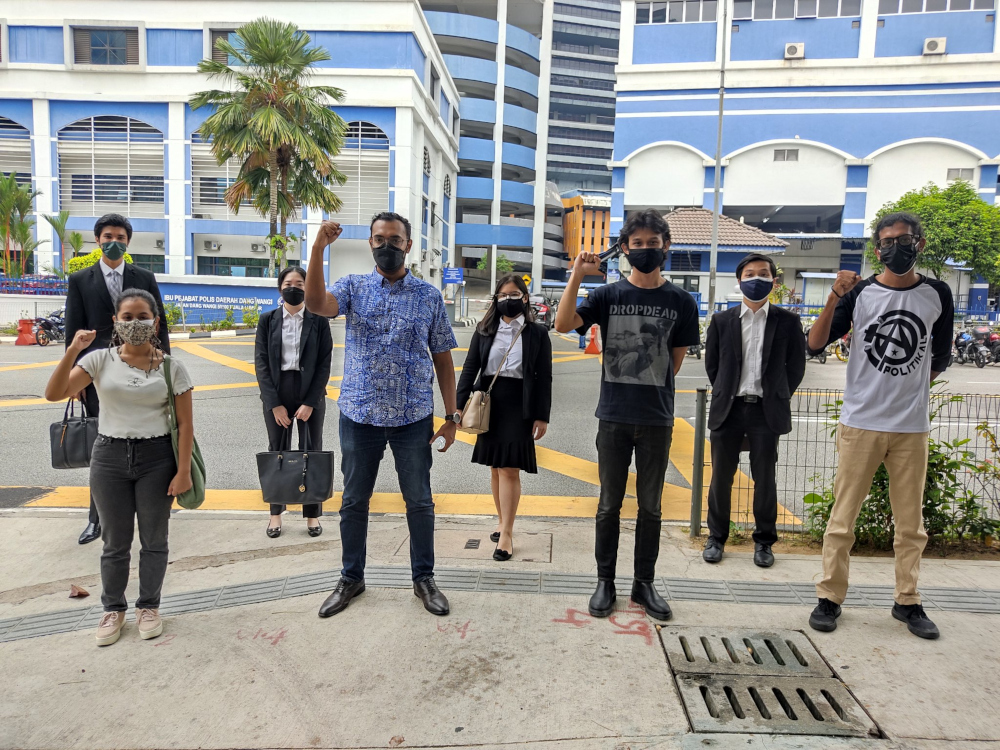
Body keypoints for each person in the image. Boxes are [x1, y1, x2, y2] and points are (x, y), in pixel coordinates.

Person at [806, 211, 953, 640]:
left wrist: (906, 393)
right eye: (887, 241)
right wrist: (835, 295)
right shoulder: (862, 294)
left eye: (904, 240)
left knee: (910, 524)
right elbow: (814, 344)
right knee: (842, 519)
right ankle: (830, 596)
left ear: (919, 244)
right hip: (861, 424)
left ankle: (908, 601)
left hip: (911, 428)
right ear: (877, 250)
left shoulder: (937, 294)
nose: (896, 247)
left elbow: (938, 358)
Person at [305, 213, 459, 618]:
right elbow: (317, 304)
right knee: (355, 500)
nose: (386, 245)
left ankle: (423, 579)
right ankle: (351, 577)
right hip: (360, 413)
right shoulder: (353, 287)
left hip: (413, 417)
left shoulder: (428, 297)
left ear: (409, 245)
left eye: (395, 239)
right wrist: (319, 247)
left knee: (419, 501)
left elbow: (443, 359)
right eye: (379, 239)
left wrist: (452, 415)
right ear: (370, 243)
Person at [554, 208, 700, 621]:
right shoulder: (608, 296)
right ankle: (605, 582)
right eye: (637, 244)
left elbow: (674, 363)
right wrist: (578, 275)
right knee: (608, 504)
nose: (645, 250)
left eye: (653, 244)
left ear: (666, 247)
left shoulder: (680, 302)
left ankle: (644, 583)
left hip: (657, 417)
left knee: (651, 507)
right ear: (626, 248)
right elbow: (564, 324)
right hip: (614, 416)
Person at [44, 289, 193, 646]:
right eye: (127, 317)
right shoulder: (98, 361)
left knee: (155, 539)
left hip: (158, 459)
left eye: (143, 316)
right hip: (108, 458)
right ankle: (113, 608)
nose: (135, 323)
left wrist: (183, 471)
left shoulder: (172, 367)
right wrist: (72, 351)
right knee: (115, 542)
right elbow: (54, 393)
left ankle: (149, 606)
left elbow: (186, 425)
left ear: (155, 321)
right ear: (116, 321)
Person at [64, 213, 171, 545]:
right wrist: (75, 381)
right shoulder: (81, 280)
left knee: (149, 439)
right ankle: (97, 519)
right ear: (97, 240)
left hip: (143, 367)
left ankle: (147, 510)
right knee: (102, 446)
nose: (114, 241)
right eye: (108, 235)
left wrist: (166, 369)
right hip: (99, 373)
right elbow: (73, 331)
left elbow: (161, 325)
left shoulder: (144, 277)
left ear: (128, 241)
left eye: (121, 236)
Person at [702, 253, 806, 568]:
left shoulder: (788, 321)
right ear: (739, 280)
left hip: (766, 411)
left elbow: (796, 368)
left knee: (766, 479)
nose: (756, 278)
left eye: (763, 273)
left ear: (774, 281)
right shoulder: (722, 321)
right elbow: (713, 366)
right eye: (750, 273)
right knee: (721, 477)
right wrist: (727, 391)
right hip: (729, 410)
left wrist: (776, 394)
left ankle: (764, 542)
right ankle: (716, 538)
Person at [456, 274, 553, 561]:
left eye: (514, 295)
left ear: (524, 298)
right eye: (502, 296)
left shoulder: (538, 334)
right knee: (496, 468)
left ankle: (507, 533)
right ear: (495, 299)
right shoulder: (485, 329)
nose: (507, 301)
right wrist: (458, 406)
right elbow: (470, 367)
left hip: (519, 405)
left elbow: (545, 377)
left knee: (510, 468)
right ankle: (502, 521)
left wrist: (541, 416)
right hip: (489, 402)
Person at [255, 265, 333, 538]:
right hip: (278, 391)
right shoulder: (268, 320)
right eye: (289, 283)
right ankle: (275, 514)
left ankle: (312, 515)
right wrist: (273, 403)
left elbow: (325, 364)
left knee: (311, 451)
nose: (294, 288)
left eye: (300, 284)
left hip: (310, 392)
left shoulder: (319, 320)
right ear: (280, 288)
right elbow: (261, 363)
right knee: (277, 451)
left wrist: (311, 401)